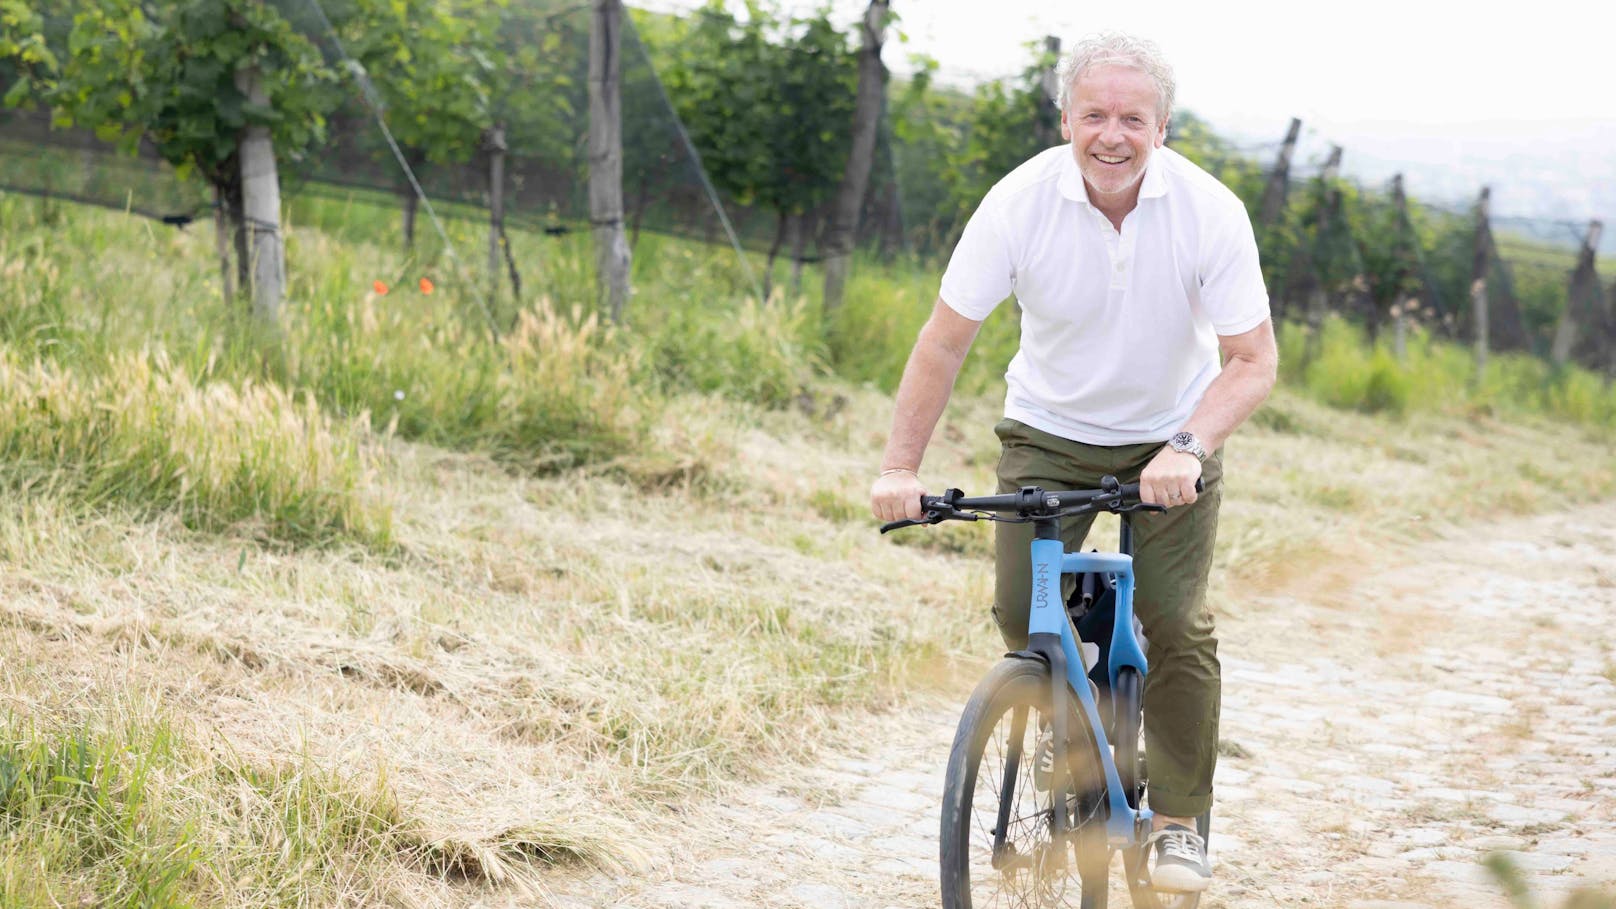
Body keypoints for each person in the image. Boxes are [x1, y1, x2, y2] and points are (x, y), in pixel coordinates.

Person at [869, 31, 1277, 894]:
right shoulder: (1018, 204)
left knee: (1173, 619)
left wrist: (1189, 446)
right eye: (1095, 114)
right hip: (1049, 429)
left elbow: (1252, 359)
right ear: (1066, 120)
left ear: (1162, 126)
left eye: (1133, 116)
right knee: (1024, 613)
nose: (1113, 134)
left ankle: (1172, 822)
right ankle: (1076, 727)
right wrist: (899, 467)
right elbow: (944, 344)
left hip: (1172, 436)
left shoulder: (1211, 212)